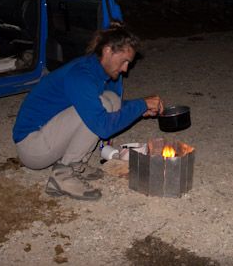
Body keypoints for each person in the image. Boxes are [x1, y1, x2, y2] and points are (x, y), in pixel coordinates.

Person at [12, 22, 162, 200]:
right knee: (103, 107)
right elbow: (103, 125)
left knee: (112, 100)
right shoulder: (81, 75)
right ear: (108, 51)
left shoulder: (94, 69)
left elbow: (102, 108)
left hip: (48, 136)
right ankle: (63, 175)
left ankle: (78, 163)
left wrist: (138, 110)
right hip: (33, 146)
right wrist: (141, 104)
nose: (125, 69)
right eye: (124, 61)